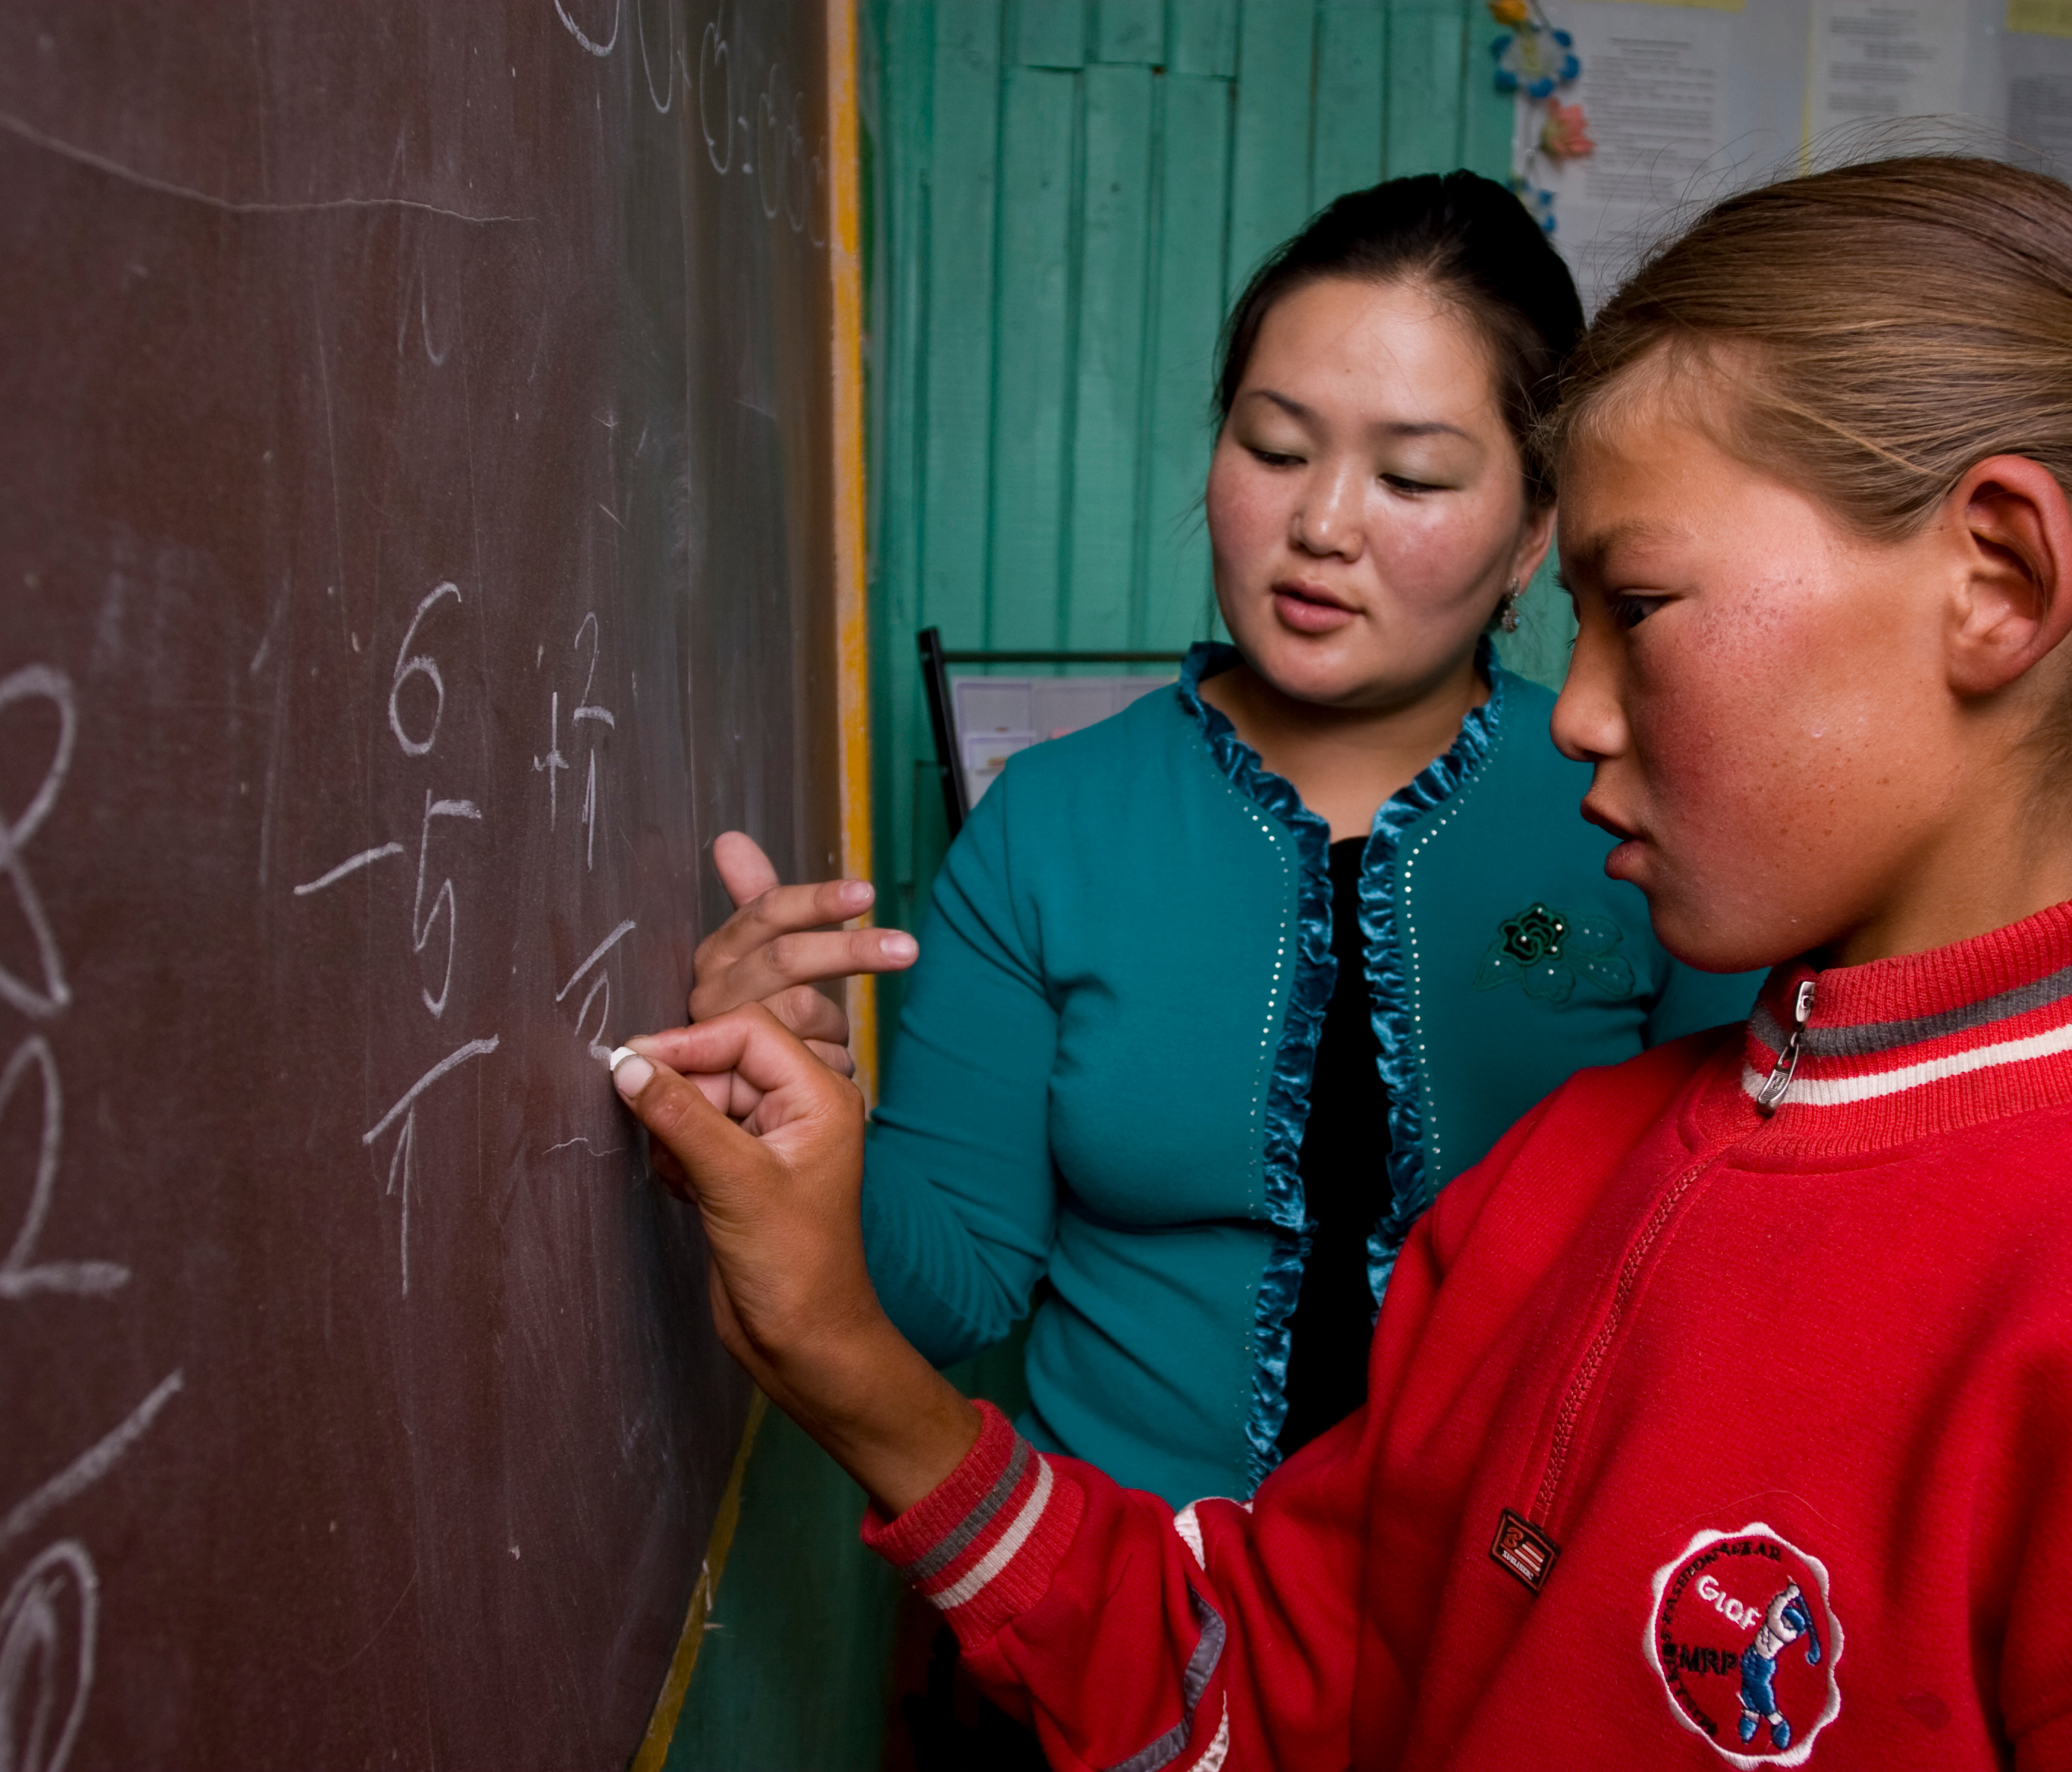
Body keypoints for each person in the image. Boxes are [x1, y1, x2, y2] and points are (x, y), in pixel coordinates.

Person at [617, 156, 2072, 1767]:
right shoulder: (1580, 1184)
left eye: (1639, 604)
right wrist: (846, 1335)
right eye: (1273, 443)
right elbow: (1273, 1673)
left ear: (2002, 584)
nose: (1570, 713)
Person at [692, 171, 1758, 1508]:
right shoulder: (1055, 826)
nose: (1321, 525)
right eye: (1273, 447)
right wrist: (805, 1118)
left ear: (1534, 534)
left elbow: (1733, 1268)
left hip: (1522, 1620)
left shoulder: (1643, 811)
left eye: (1413, 474)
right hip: (1130, 1614)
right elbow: (946, 1289)